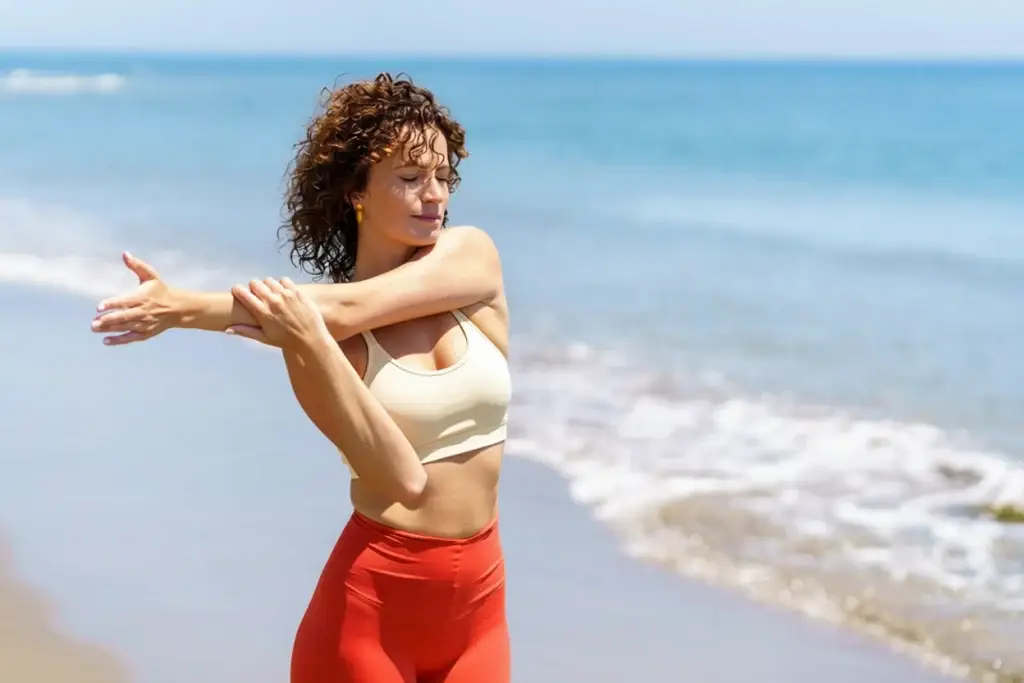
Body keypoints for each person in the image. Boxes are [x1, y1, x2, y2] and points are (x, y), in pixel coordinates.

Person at [91, 73, 512, 683]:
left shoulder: (472, 259)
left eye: (443, 176)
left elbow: (343, 308)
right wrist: (308, 339)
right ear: (356, 191)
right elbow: (402, 480)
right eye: (410, 177)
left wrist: (182, 307)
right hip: (369, 620)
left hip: (480, 611)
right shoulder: (313, 341)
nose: (435, 195)